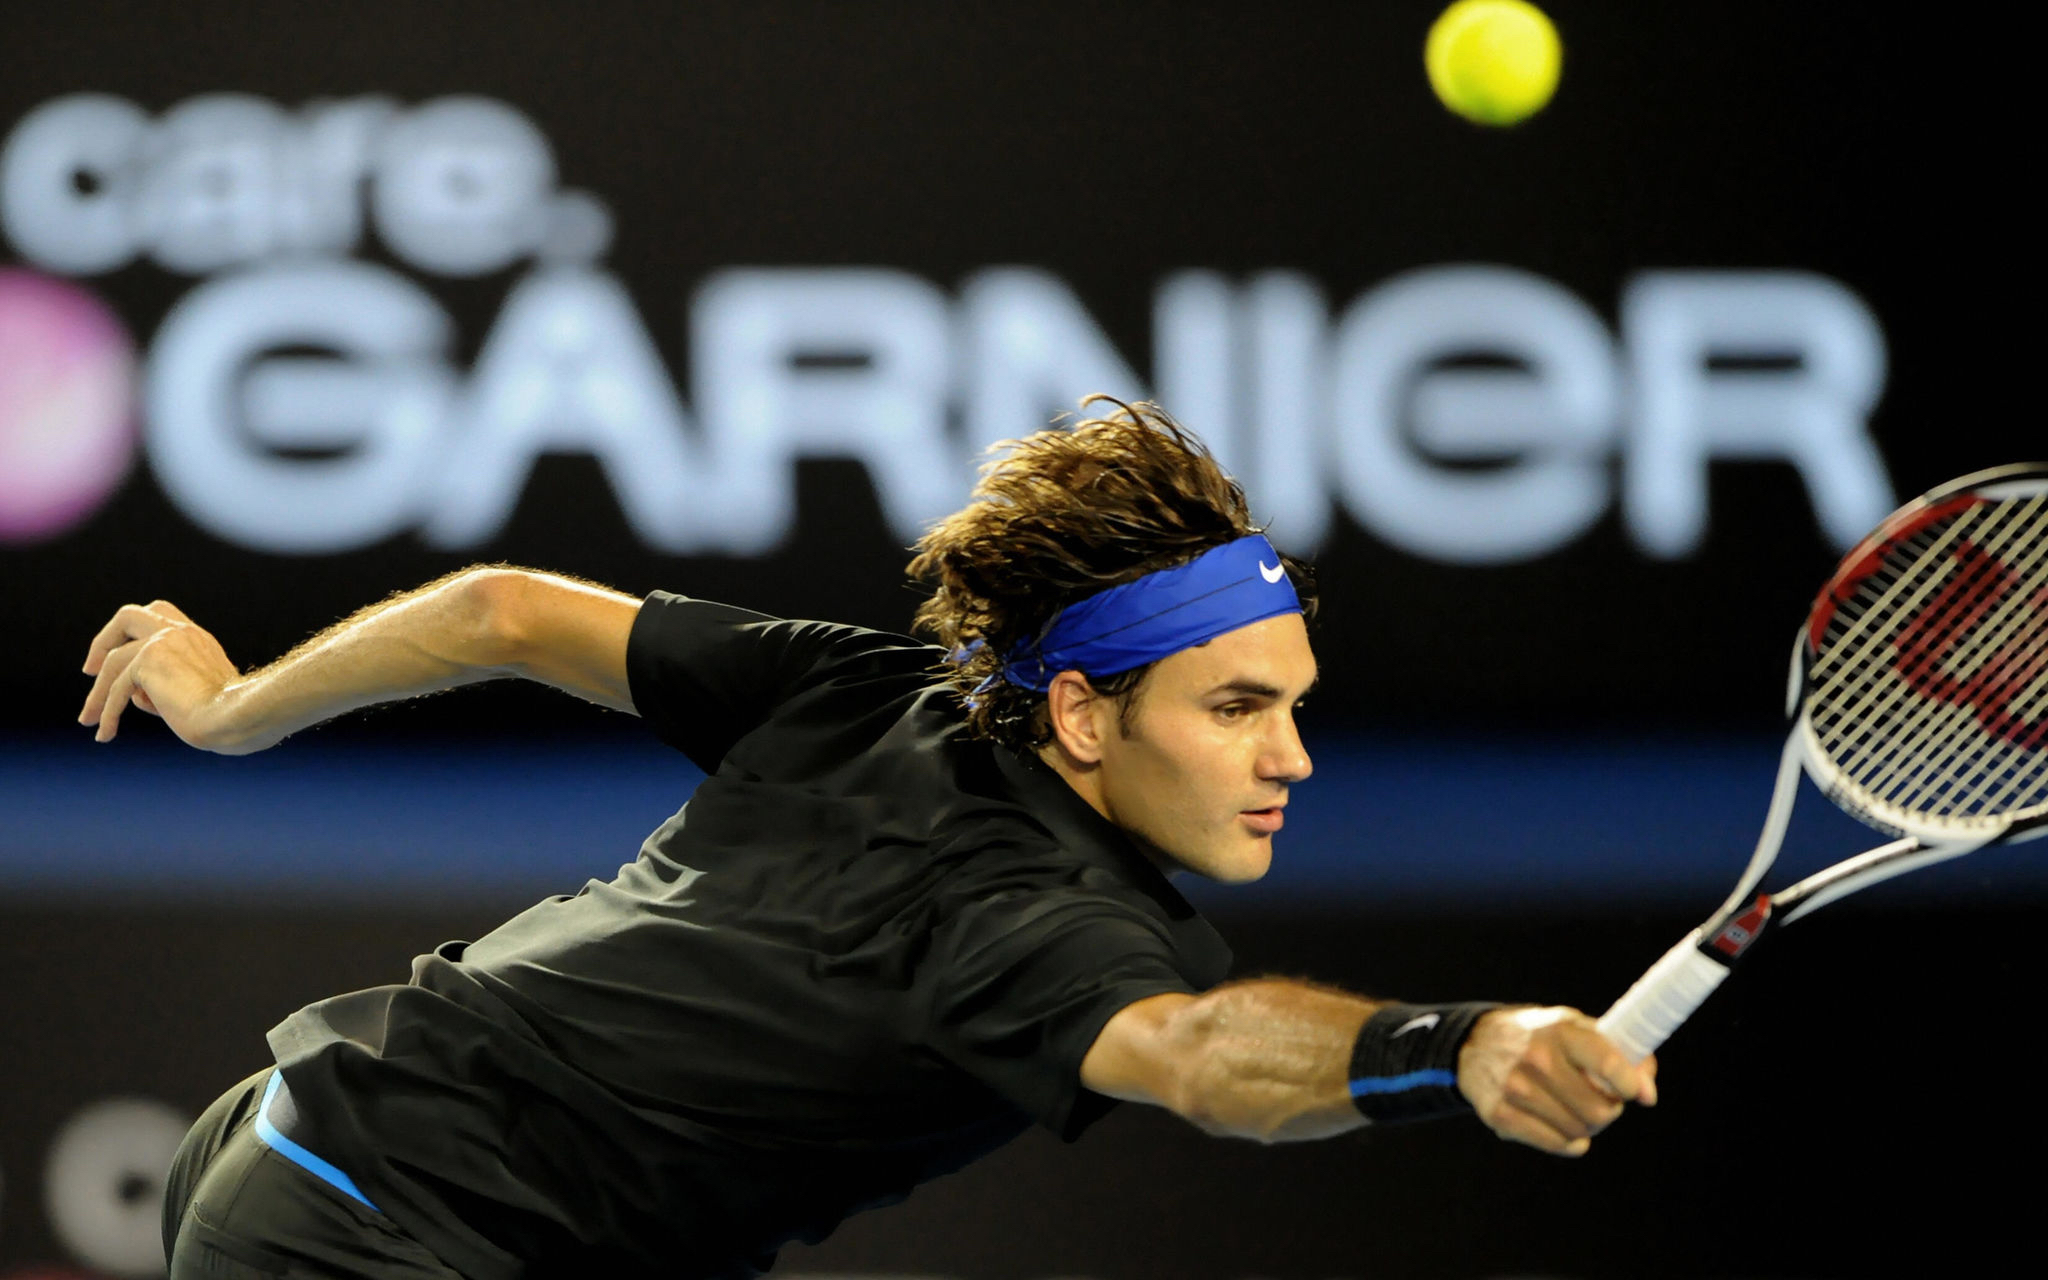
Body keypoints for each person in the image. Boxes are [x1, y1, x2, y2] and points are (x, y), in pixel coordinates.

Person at [79, 399, 1657, 1280]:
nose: (1290, 757)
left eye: (1294, 705)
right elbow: (1198, 1058)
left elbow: (506, 614)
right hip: (385, 1239)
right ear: (1088, 717)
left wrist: (233, 714)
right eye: (1236, 707)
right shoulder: (1044, 923)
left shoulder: (880, 687)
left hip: (292, 1134)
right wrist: (1453, 1048)